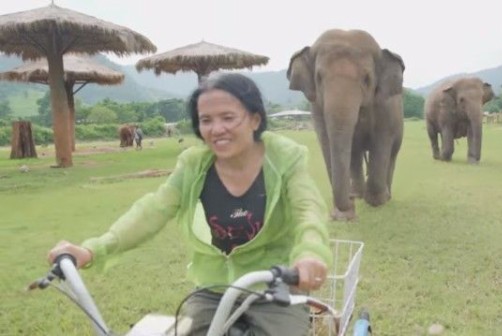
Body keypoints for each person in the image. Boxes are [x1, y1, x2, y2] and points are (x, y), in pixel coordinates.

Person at [47, 73, 332, 336]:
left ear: (255, 119)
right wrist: (92, 249)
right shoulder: (194, 165)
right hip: (212, 290)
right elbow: (153, 210)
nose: (216, 129)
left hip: (274, 286)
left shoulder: (285, 158)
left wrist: (309, 254)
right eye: (206, 120)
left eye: (228, 117)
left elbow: (309, 210)